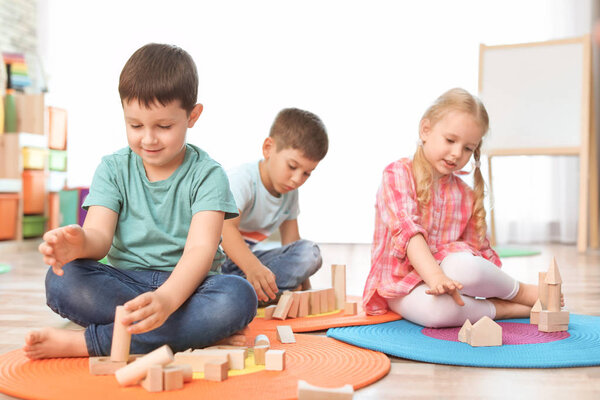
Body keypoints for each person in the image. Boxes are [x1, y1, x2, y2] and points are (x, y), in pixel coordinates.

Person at [24, 43, 257, 359]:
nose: (148, 138)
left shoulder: (208, 175)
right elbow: (99, 239)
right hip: (125, 283)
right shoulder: (113, 168)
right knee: (61, 280)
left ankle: (89, 344)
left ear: (193, 116)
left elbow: (200, 251)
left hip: (186, 289)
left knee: (237, 296)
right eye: (135, 125)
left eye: (163, 126)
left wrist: (166, 300)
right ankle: (193, 333)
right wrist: (78, 244)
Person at [363, 88, 543, 328]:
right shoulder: (398, 174)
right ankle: (506, 309)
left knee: (467, 266)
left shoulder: (466, 195)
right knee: (437, 314)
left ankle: (520, 292)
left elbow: (478, 257)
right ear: (425, 130)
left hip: (449, 278)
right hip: (401, 283)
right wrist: (435, 277)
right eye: (450, 140)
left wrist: (479, 282)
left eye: (468, 148)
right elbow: (409, 235)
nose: (457, 153)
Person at [221, 108, 328, 304]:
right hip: (212, 265)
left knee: (308, 253)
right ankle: (250, 293)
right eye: (292, 166)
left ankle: (253, 293)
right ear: (268, 148)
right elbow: (224, 229)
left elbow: (292, 244)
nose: (297, 179)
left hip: (242, 269)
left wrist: (307, 294)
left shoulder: (289, 193)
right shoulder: (242, 180)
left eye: (307, 173)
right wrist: (253, 268)